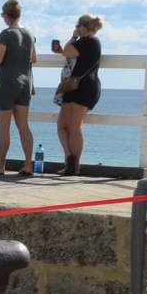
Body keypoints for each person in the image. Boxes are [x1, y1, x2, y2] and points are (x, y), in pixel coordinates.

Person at [0, 0, 38, 176]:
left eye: (3, 15)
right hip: (25, 83)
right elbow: (34, 58)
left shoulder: (6, 34)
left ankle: (0, 165)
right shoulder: (29, 34)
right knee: (23, 125)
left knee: (4, 126)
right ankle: (28, 165)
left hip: (7, 83)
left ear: (7, 15)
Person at [57, 14, 103, 176]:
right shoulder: (91, 42)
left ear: (84, 27)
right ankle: (70, 159)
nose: (77, 28)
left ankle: (74, 165)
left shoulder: (88, 42)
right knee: (62, 125)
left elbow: (67, 51)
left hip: (82, 87)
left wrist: (73, 37)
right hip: (74, 86)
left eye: (78, 25)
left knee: (74, 126)